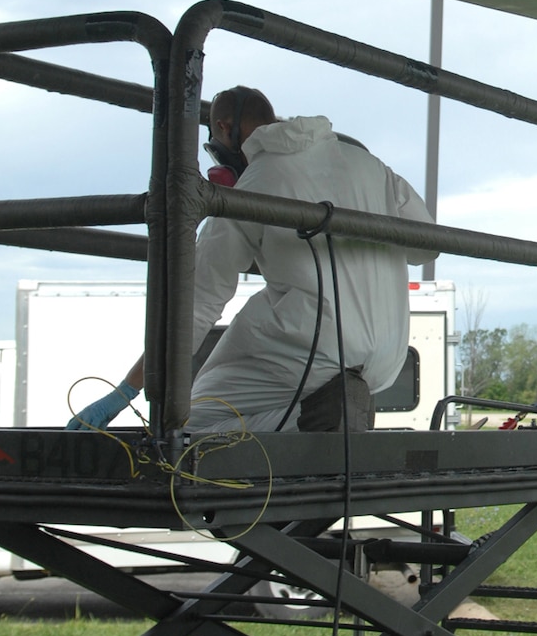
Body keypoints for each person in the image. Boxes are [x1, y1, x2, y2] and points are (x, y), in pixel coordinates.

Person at [67, 85, 433, 435]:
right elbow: (426, 247)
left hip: (311, 355)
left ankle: (319, 417)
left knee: (185, 426)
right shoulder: (370, 165)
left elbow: (197, 302)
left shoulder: (256, 182)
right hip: (386, 360)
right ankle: (327, 414)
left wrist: (126, 390)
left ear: (224, 127)